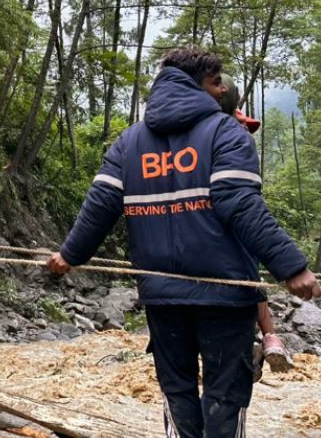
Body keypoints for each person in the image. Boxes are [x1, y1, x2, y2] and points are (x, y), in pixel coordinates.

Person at [46, 48, 320, 438]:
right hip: (224, 297)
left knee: (177, 392)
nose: (220, 91)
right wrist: (292, 266)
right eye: (214, 83)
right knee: (226, 395)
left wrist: (68, 255)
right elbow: (239, 204)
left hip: (163, 298)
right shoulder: (227, 132)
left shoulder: (129, 143)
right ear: (199, 84)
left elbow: (100, 208)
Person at [219, 73, 292, 373]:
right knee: (250, 276)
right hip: (235, 225)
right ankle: (270, 335)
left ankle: (266, 337)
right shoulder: (235, 138)